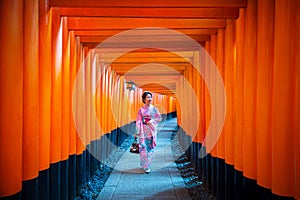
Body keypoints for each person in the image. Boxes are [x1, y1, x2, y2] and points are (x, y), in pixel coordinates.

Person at [136, 91, 162, 174]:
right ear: (144, 99)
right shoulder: (141, 110)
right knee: (143, 147)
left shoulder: (155, 109)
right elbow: (138, 120)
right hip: (143, 130)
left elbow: (159, 118)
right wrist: (138, 131)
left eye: (150, 97)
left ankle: (147, 165)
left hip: (151, 130)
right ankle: (144, 163)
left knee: (150, 148)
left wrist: (152, 121)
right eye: (147, 97)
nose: (150, 99)